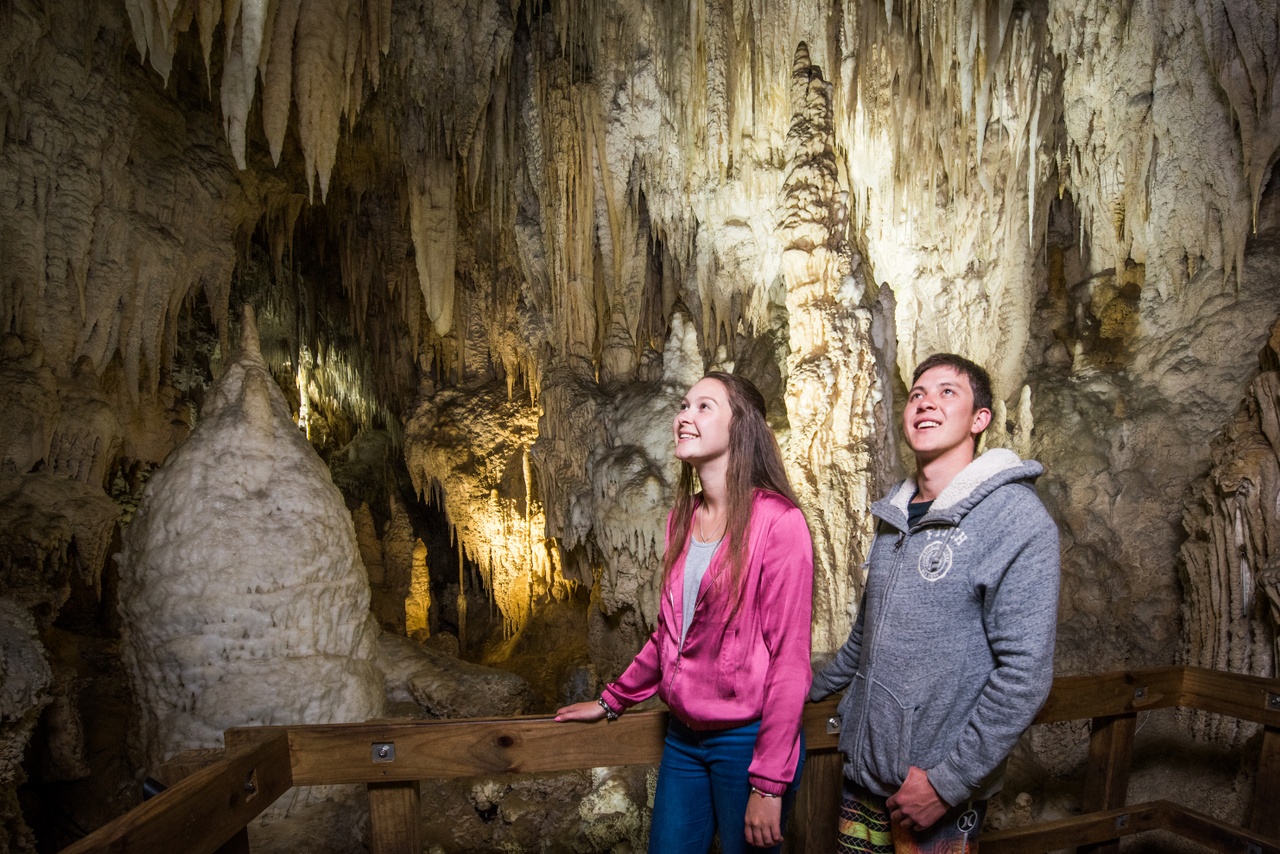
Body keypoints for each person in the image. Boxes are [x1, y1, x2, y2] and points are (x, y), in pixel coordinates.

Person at [809, 353, 1060, 853]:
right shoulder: (895, 516)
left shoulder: (1016, 520)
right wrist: (803, 687)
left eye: (948, 393)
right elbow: (866, 637)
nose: (926, 402)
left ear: (979, 419)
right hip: (865, 772)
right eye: (918, 393)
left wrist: (948, 782)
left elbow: (1025, 673)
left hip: (932, 794)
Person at [556, 371, 814, 854]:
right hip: (683, 740)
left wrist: (769, 783)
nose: (683, 417)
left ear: (742, 428)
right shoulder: (684, 516)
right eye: (683, 405)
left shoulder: (778, 522)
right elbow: (671, 636)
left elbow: (790, 660)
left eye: (703, 407)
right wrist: (612, 700)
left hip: (746, 742)